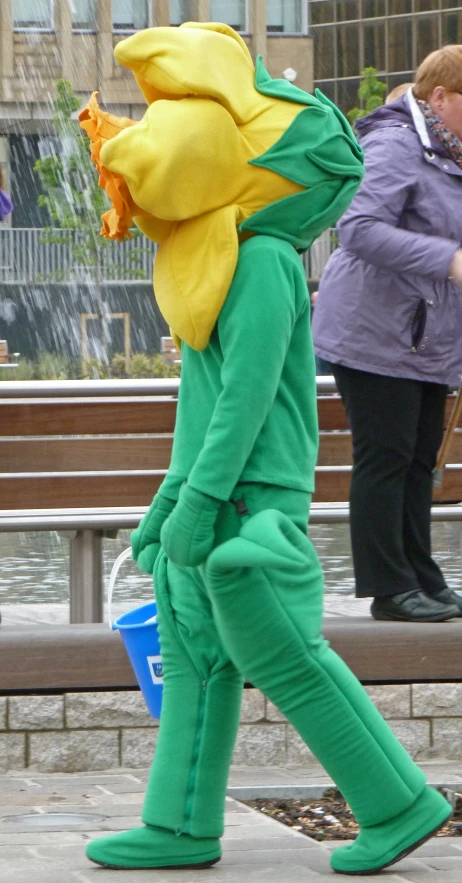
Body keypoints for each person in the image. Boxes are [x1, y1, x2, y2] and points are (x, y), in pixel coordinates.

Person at [79, 22, 451, 875]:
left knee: (285, 655)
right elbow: (202, 406)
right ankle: (179, 824)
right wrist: (170, 503)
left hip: (252, 506)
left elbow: (246, 403)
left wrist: (202, 502)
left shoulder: (264, 262)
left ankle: (398, 803)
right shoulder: (218, 259)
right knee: (200, 665)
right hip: (216, 500)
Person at [312, 45, 462, 623]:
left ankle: (422, 577)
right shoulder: (397, 143)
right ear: (441, 96)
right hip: (374, 333)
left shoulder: (451, 152)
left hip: (425, 336)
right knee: (387, 457)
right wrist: (447, 257)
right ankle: (387, 588)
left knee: (419, 459)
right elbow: (357, 228)